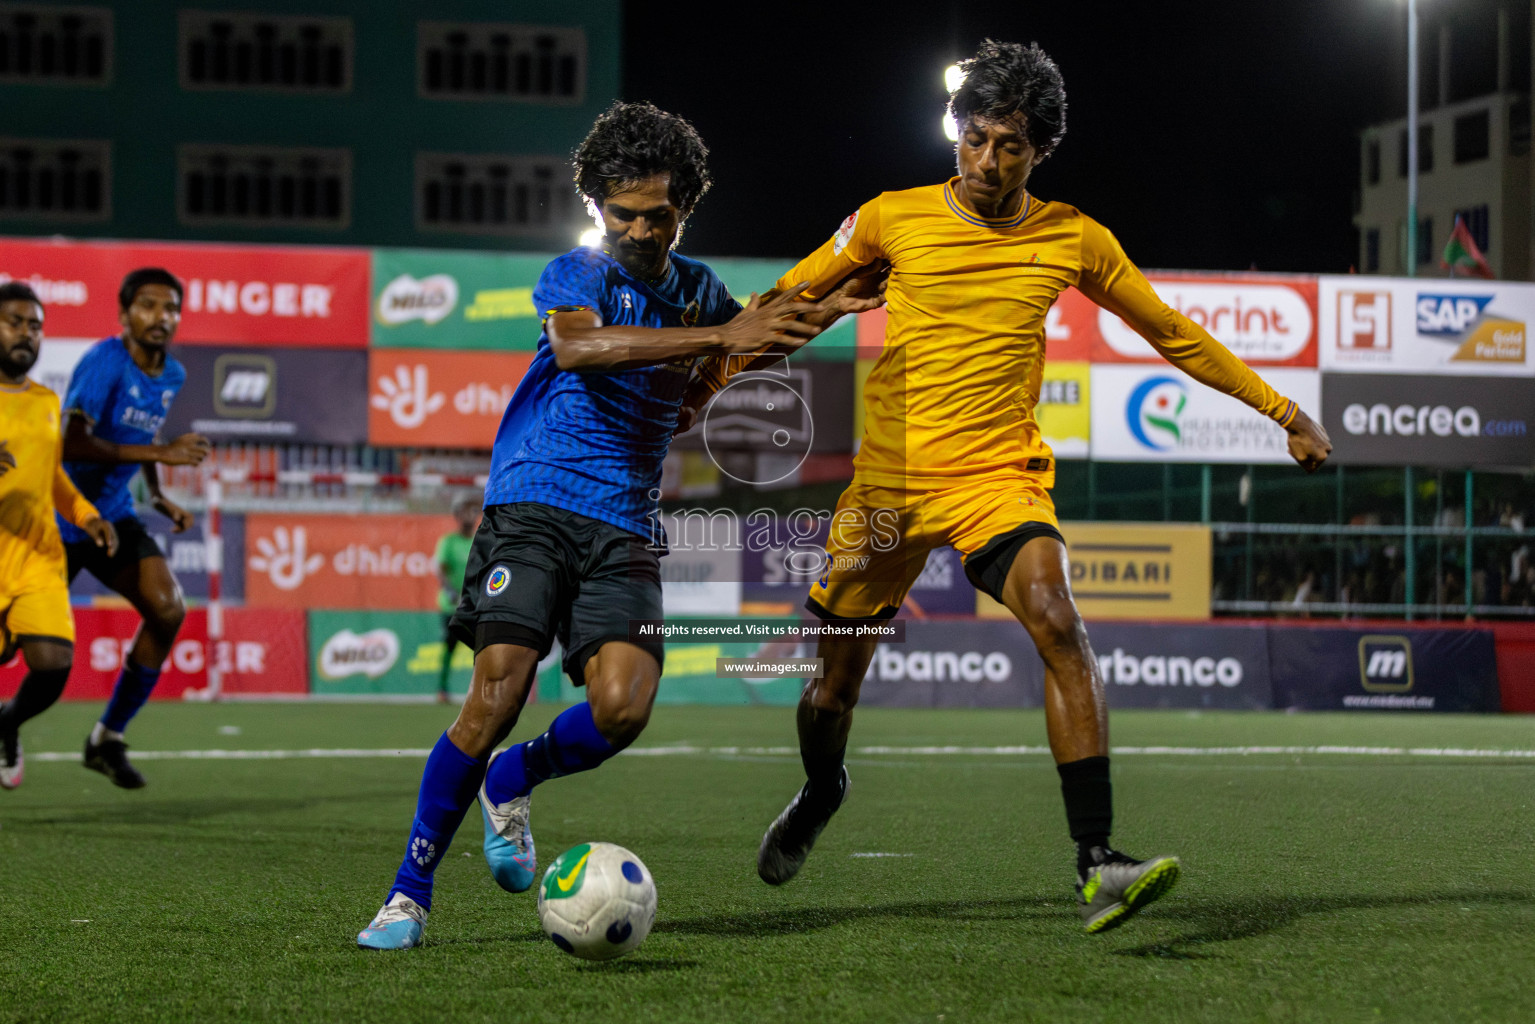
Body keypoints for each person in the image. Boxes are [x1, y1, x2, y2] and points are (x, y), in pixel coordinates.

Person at [696, 40, 1332, 934]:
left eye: (1014, 147)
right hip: (887, 488)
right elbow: (782, 301)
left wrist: (1281, 410)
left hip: (998, 478)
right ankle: (821, 787)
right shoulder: (888, 219)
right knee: (832, 688)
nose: (991, 162)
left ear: (1039, 153)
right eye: (979, 139)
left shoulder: (1071, 237)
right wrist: (709, 370)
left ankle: (1098, 860)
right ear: (956, 134)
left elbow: (1172, 332)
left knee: (1059, 620)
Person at [356, 100, 883, 950]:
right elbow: (578, 350)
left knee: (622, 711)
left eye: (658, 213)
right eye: (622, 212)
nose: (638, 228)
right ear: (598, 206)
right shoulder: (580, 273)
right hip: (533, 502)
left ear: (686, 208)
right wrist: (725, 330)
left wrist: (822, 309)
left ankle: (515, 777)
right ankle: (407, 896)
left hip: (624, 523)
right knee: (497, 691)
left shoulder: (700, 290)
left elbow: (717, 371)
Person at [59, 268, 211, 788]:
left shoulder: (172, 375)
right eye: (147, 306)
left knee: (167, 610)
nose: (160, 317)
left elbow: (146, 432)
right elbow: (72, 443)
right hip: (60, 514)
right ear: (124, 314)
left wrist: (160, 493)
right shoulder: (105, 361)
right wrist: (162, 453)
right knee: (18, 644)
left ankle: (107, 738)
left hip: (114, 514)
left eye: (170, 308)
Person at [0, 282, 118, 789]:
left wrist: (86, 514)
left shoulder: (47, 401)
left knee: (53, 664)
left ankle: (6, 725)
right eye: (14, 323)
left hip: (38, 557)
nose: (26, 334)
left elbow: (52, 477)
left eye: (35, 325)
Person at [433, 494, 480, 702]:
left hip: (475, 606)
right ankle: (442, 688)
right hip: (452, 606)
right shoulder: (448, 542)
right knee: (449, 647)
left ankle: (480, 691)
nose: (468, 516)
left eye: (472, 511)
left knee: (482, 650)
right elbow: (440, 569)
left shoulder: (480, 542)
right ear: (457, 516)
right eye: (464, 511)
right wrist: (451, 591)